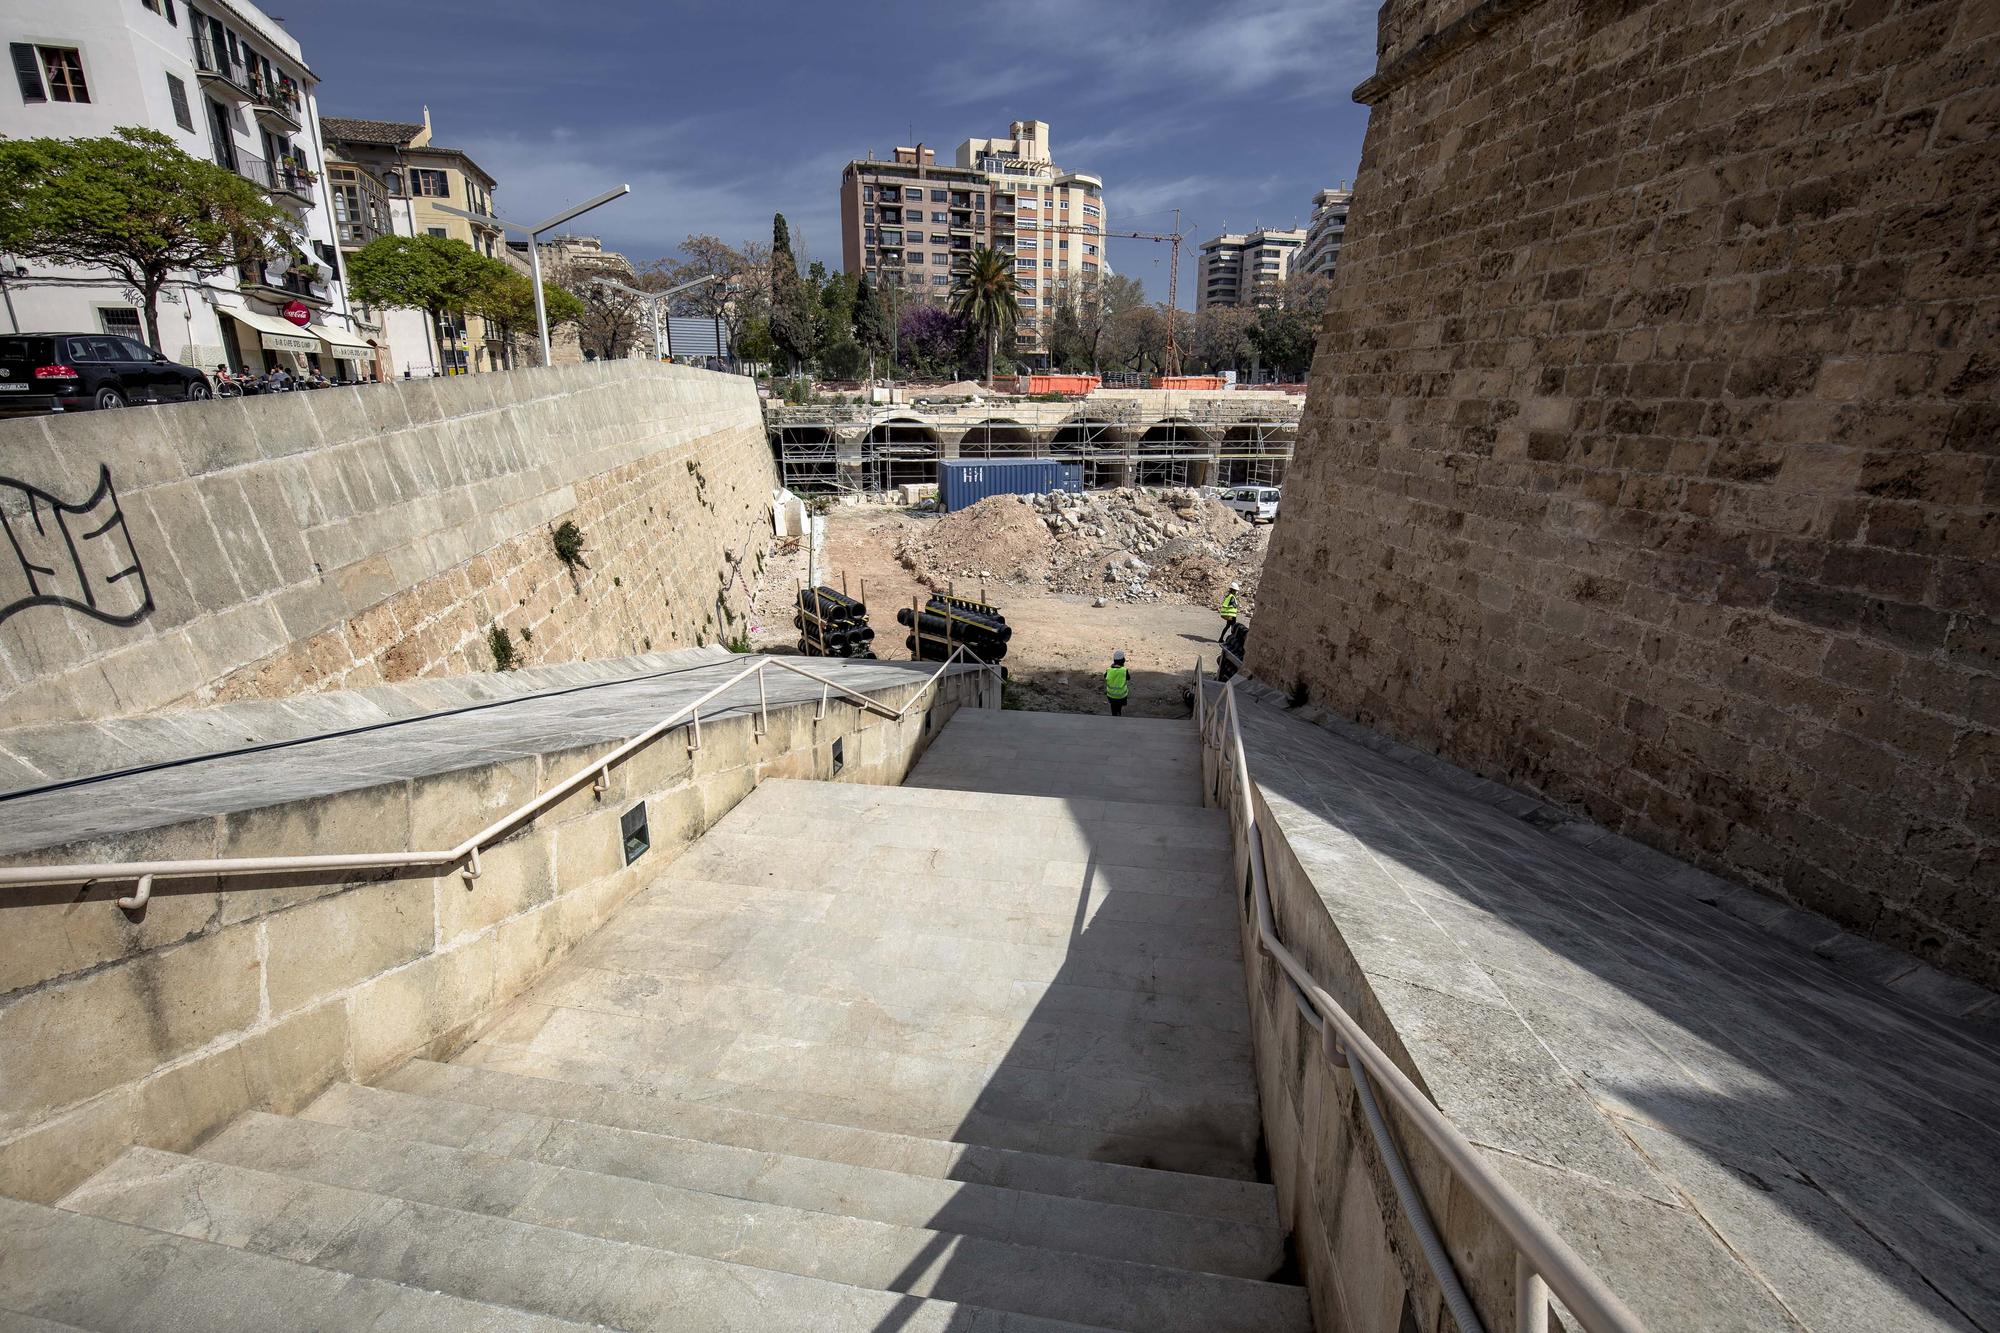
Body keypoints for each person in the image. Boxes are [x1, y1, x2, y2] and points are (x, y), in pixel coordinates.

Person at [1105, 650, 1130, 717]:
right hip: (1121, 695)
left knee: (1113, 706)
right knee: (1119, 707)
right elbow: (1128, 678)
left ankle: (1114, 715)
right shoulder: (1124, 670)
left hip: (1111, 695)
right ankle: (1118, 713)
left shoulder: (1109, 670)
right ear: (1123, 661)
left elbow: (1105, 677)